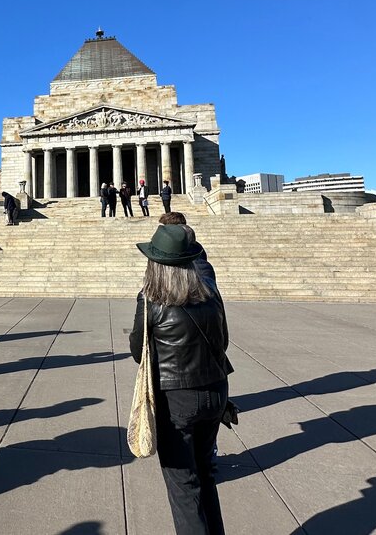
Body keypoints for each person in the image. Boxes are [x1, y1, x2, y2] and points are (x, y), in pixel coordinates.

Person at [128, 225, 232, 535]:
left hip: (176, 402)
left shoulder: (150, 301)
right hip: (215, 393)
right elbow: (223, 342)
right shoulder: (211, 295)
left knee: (184, 487)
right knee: (205, 476)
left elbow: (138, 351)